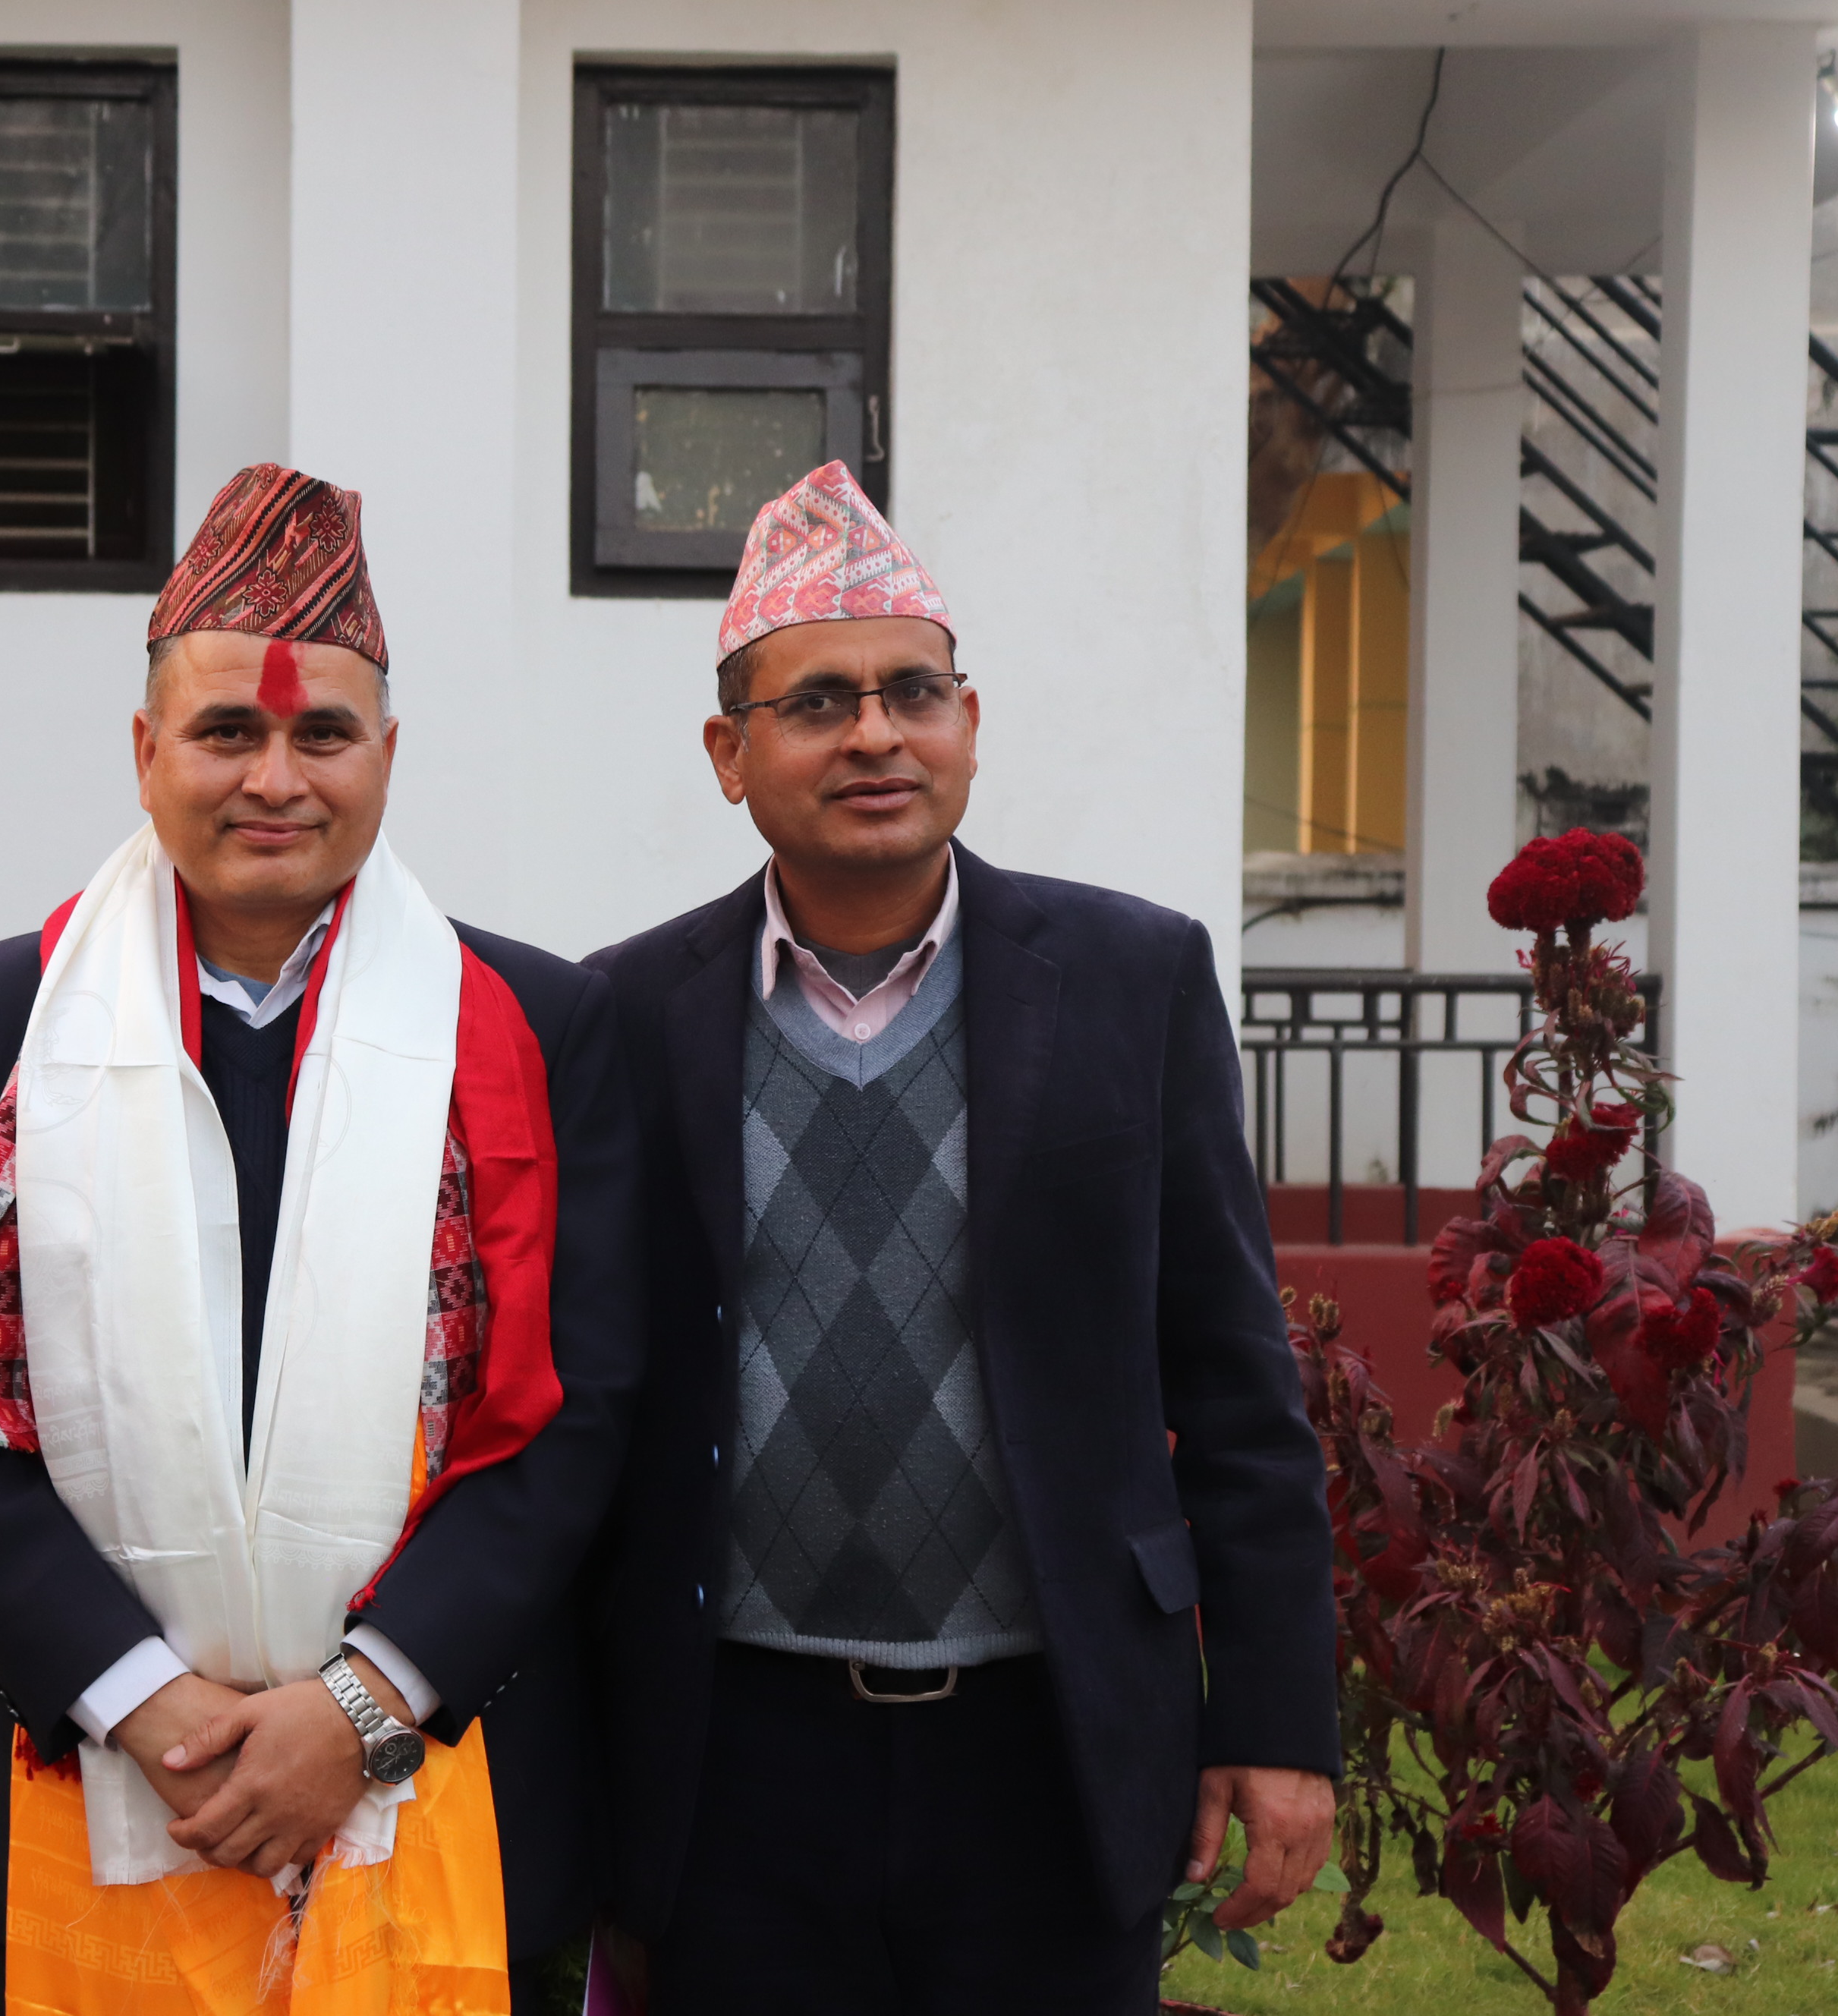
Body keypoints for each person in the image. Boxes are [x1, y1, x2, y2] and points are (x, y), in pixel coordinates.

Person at [0, 463, 641, 2015]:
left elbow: (578, 1410)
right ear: (145, 752)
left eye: (322, 734)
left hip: (443, 1756)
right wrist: (145, 1700)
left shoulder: (534, 1023)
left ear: (388, 756)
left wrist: (364, 1703)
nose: (274, 778)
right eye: (227, 730)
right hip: (89, 1754)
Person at [584, 462, 1339, 2012]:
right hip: (733, 1758)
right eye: (818, 702)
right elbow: (587, 1398)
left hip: (1051, 1738)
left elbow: (1238, 1385)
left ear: (969, 725)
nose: (876, 734)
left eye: (913, 692)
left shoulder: (1130, 980)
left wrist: (1275, 1720)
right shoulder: (626, 1012)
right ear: (730, 754)